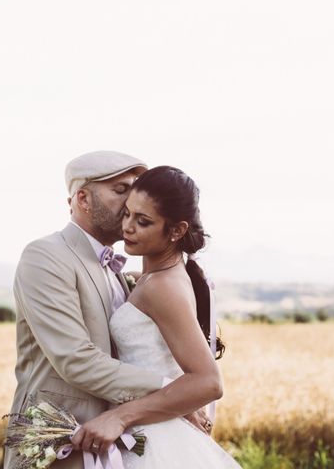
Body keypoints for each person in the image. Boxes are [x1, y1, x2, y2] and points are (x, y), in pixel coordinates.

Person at [3, 153, 212, 469]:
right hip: (62, 444)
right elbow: (76, 359)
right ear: (83, 199)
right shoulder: (46, 256)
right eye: (120, 189)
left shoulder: (124, 273)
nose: (132, 197)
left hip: (122, 443)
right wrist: (176, 395)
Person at [71, 165, 239, 468]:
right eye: (127, 214)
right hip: (148, 430)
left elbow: (209, 382)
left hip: (154, 439)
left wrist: (119, 416)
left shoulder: (162, 287)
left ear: (176, 230)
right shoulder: (156, 279)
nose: (128, 227)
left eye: (143, 221)